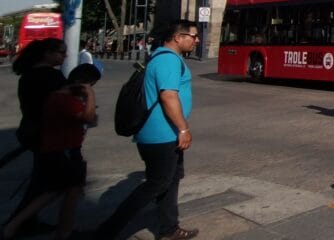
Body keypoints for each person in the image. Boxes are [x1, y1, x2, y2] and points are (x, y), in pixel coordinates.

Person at [92, 20, 200, 240]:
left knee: (170, 180)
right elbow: (168, 96)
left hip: (164, 134)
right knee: (156, 185)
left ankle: (169, 228)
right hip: (162, 135)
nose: (196, 40)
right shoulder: (168, 61)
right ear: (178, 37)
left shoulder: (163, 57)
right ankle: (106, 231)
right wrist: (183, 129)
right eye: (193, 36)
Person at [3, 63, 100, 240]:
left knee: (53, 191)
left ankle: (14, 226)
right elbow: (89, 118)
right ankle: (62, 232)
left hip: (57, 149)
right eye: (92, 85)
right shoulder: (65, 100)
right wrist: (90, 97)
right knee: (69, 191)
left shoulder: (58, 97)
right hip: (65, 150)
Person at [5, 38, 68, 235]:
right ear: (47, 54)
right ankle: (16, 224)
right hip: (48, 133)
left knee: (41, 181)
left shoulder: (28, 74)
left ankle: (25, 221)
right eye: (60, 52)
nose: (63, 56)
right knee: (55, 183)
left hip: (32, 130)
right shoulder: (51, 77)